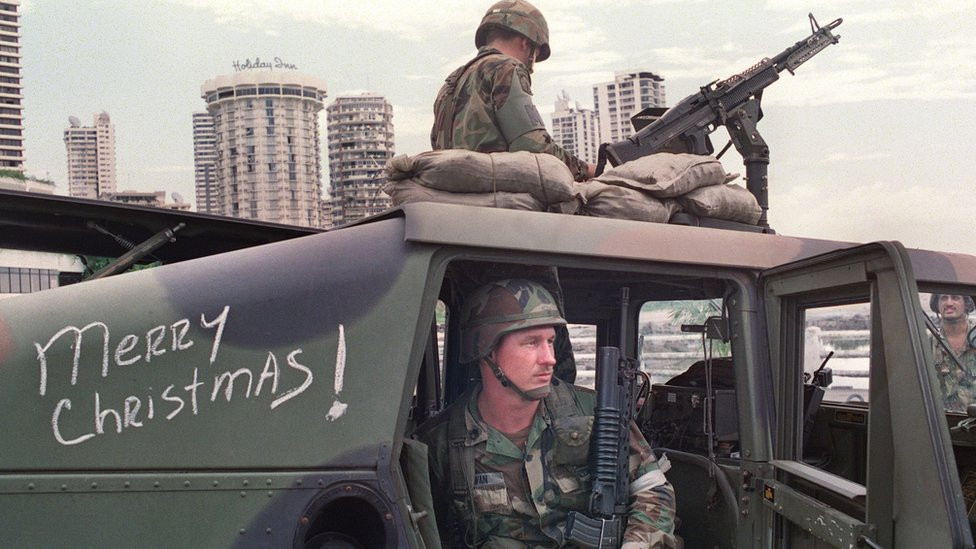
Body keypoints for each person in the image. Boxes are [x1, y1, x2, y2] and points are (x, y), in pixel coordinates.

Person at [414, 279, 676, 547]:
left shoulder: (595, 412)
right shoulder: (440, 442)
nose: (549, 357)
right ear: (488, 351)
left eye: (551, 341)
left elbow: (653, 490)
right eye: (531, 343)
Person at [431, 0, 596, 182]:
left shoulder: (449, 84)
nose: (532, 67)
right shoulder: (507, 68)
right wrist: (586, 169)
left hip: (451, 199)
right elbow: (532, 145)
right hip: (497, 198)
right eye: (536, 54)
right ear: (526, 43)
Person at [929, 293, 976, 413]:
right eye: (944, 298)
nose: (949, 303)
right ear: (937, 304)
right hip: (942, 423)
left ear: (967, 304)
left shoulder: (974, 336)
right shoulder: (927, 343)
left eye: (955, 297)